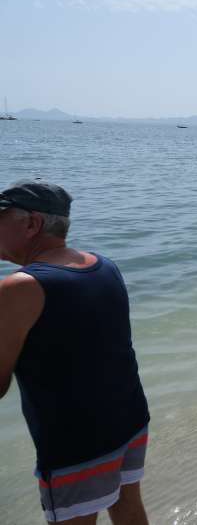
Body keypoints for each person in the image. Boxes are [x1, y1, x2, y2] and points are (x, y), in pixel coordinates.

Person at [0, 180, 150, 524]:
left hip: (76, 443)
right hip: (129, 420)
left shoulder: (22, 286)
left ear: (32, 224)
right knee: (128, 507)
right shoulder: (104, 265)